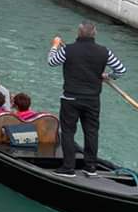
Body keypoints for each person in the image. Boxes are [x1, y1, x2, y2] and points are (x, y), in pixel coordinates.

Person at [48, 20, 127, 175]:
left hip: (70, 98)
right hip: (92, 99)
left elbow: (51, 62)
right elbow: (121, 70)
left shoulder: (68, 50)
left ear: (78, 33)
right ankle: (91, 166)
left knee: (68, 131)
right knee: (91, 132)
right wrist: (108, 76)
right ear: (95, 33)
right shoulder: (104, 51)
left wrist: (55, 45)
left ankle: (68, 167)